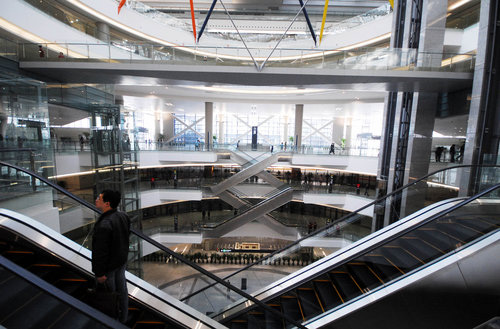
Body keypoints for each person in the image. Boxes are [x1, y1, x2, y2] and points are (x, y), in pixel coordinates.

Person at [92, 190, 131, 323]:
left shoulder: (104, 224)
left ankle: (111, 322)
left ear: (107, 203)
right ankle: (123, 319)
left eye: (99, 198)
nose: (96, 199)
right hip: (121, 262)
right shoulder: (123, 216)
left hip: (109, 267)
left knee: (109, 296)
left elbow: (100, 251)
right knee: (122, 291)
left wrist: (99, 273)